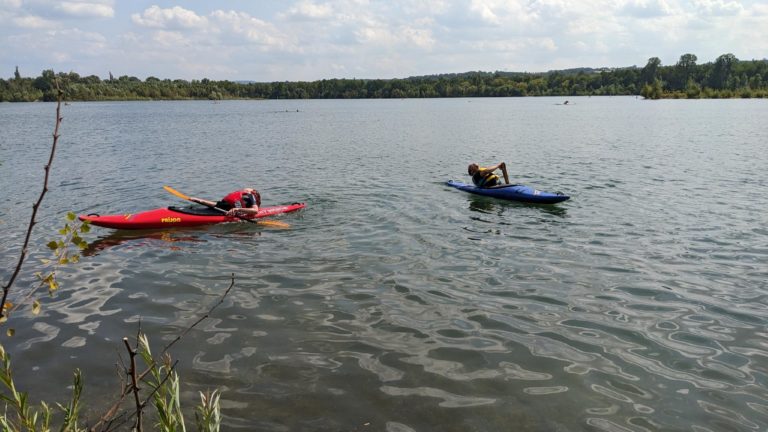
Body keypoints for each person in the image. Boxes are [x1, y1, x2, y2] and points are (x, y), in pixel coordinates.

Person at [189, 188, 261, 216]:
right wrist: (198, 200)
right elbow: (216, 205)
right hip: (226, 207)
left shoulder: (252, 195)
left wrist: (237, 209)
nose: (246, 189)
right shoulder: (238, 197)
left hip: (233, 209)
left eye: (248, 189)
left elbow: (255, 211)